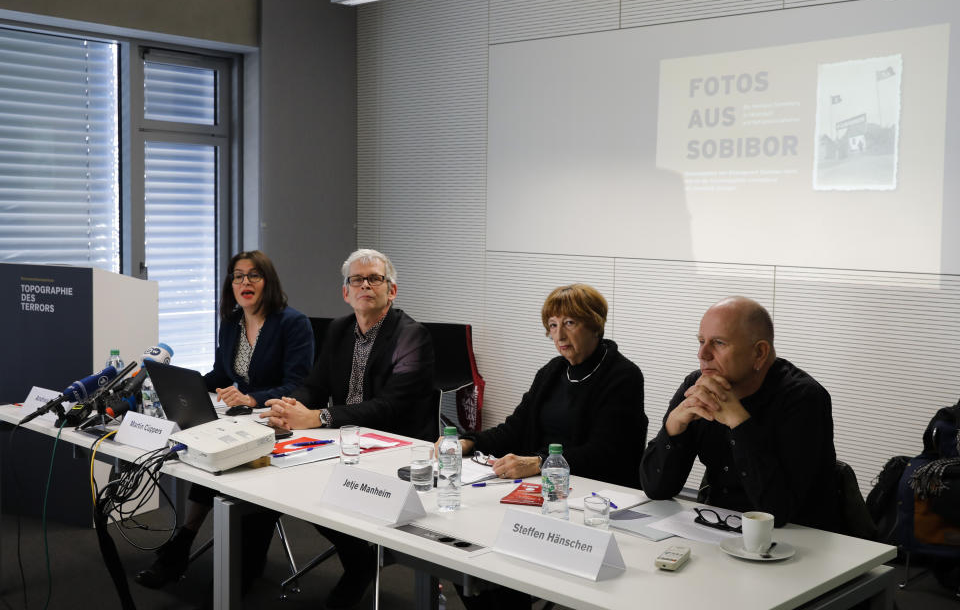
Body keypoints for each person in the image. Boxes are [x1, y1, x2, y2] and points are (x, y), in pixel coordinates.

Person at [451, 283, 646, 609]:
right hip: (538, 492)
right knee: (465, 552)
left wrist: (540, 463)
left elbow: (607, 452)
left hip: (592, 499)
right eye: (553, 326)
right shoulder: (552, 372)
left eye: (570, 323)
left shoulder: (623, 376)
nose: (559, 335)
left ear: (595, 324)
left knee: (501, 559)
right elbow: (515, 428)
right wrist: (469, 441)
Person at [263, 248, 434, 609]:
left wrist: (319, 418)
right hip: (347, 441)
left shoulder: (411, 335)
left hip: (396, 448)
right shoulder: (340, 329)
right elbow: (315, 384)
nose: (366, 285)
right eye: (357, 279)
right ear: (346, 292)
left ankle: (360, 565)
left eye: (375, 278)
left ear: (393, 290)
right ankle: (359, 559)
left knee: (323, 486)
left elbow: (390, 408)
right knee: (299, 490)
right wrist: (290, 406)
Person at [136, 250, 313, 590]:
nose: (244, 282)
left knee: (227, 460)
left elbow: (299, 384)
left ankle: (193, 551)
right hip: (241, 421)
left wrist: (252, 398)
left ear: (268, 281)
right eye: (237, 276)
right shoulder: (231, 323)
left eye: (253, 275)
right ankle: (184, 543)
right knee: (210, 456)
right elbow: (221, 373)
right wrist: (183, 386)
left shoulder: (293, 323)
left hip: (277, 422)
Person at [639, 296, 837, 530]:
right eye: (701, 341)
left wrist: (739, 423)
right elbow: (656, 489)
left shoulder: (804, 398)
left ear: (759, 353)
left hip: (799, 543)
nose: (702, 354)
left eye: (719, 343)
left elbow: (777, 512)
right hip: (717, 529)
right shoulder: (698, 385)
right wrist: (673, 429)